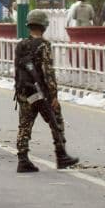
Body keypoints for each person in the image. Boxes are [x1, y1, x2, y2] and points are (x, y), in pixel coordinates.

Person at [14, 9, 79, 172]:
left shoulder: (21, 44)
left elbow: (17, 70)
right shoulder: (44, 45)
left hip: (24, 92)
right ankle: (61, 155)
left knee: (24, 125)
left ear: (29, 25)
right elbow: (48, 73)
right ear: (44, 26)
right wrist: (53, 96)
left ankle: (22, 159)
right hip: (40, 93)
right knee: (55, 120)